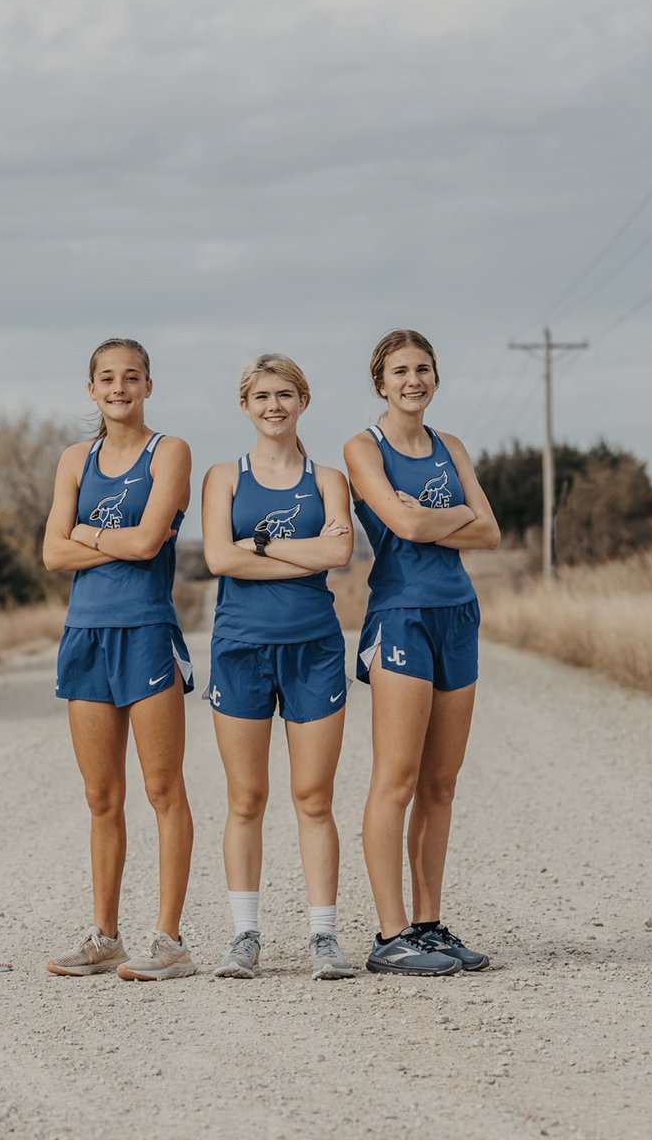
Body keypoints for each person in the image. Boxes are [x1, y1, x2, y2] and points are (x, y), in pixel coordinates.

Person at [344, 329, 500, 976]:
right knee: (397, 779)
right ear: (380, 382)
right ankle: (390, 935)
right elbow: (402, 527)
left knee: (441, 783)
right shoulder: (363, 448)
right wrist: (451, 519)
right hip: (400, 616)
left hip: (457, 615)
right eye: (401, 370)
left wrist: (439, 519)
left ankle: (430, 926)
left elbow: (490, 531)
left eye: (424, 369)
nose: (414, 380)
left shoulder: (450, 447)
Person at [42, 338, 197, 981]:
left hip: (146, 631)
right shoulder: (75, 459)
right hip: (87, 635)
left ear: (148, 386)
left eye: (131, 377)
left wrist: (88, 534)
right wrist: (121, 541)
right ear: (91, 388)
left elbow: (148, 542)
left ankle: (169, 942)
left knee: (163, 789)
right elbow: (52, 555)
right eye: (107, 378)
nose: (119, 388)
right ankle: (105, 937)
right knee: (101, 795)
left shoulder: (172, 452)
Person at [202, 353, 356, 980]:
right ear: (245, 406)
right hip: (240, 646)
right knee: (247, 798)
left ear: (304, 401)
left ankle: (324, 937)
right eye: (262, 395)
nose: (274, 405)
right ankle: (246, 936)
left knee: (313, 798)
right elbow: (218, 559)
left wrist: (260, 545)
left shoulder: (328, 480)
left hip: (313, 646)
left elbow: (341, 552)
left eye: (285, 394)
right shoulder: (223, 478)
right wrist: (305, 556)